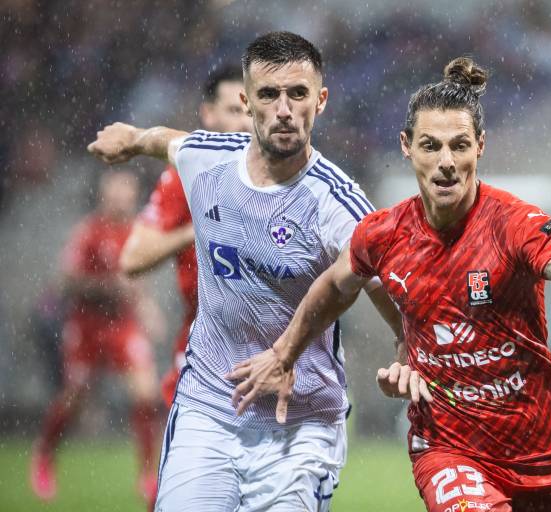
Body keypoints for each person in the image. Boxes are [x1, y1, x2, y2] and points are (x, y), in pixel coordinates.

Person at [231, 58, 551, 511]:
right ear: (407, 147)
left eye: (459, 146)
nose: (445, 163)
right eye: (430, 146)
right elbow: (337, 286)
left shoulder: (515, 226)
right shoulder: (383, 235)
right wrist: (284, 354)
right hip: (446, 449)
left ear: (480, 146)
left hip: (545, 456)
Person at [87, 31, 400, 511]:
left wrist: (409, 347)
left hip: (299, 425)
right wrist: (130, 139)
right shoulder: (208, 160)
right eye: (268, 94)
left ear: (321, 101)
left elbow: (390, 288)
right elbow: (166, 141)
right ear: (246, 103)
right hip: (207, 410)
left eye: (298, 94)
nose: (284, 109)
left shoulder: (338, 202)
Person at [119, 65, 252, 409]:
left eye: (251, 111)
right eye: (234, 110)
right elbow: (132, 258)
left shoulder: (287, 175)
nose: (245, 123)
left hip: (274, 347)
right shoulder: (186, 176)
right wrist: (199, 226)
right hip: (205, 343)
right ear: (208, 114)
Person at [30, 171, 160, 503]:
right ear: (104, 195)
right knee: (75, 398)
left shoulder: (136, 232)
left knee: (145, 394)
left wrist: (146, 307)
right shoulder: (89, 231)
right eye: (115, 192)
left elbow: (137, 282)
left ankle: (148, 474)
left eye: (126, 193)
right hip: (87, 325)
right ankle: (44, 454)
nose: (121, 199)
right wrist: (107, 288)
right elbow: (67, 281)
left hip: (122, 325)